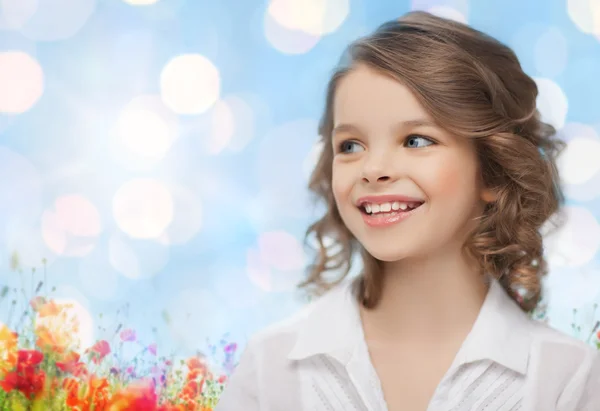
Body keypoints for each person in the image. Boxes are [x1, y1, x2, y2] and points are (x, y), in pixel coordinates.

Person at [215, 10, 599, 411]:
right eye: (350, 146)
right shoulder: (271, 367)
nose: (373, 169)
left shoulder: (566, 378)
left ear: (492, 171)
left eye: (416, 141)